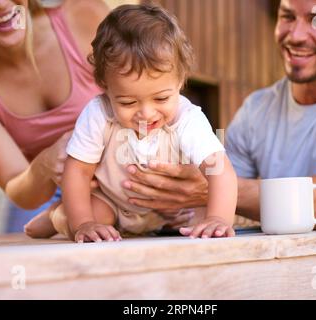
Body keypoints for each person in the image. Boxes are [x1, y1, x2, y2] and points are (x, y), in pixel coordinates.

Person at [120, 0, 316, 232]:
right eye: (287, 16)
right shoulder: (256, 108)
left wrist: (210, 189)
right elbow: (205, 202)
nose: (296, 35)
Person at [25, 4, 238, 242]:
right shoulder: (98, 113)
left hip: (167, 211)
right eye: (127, 102)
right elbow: (77, 171)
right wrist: (83, 223)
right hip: (111, 202)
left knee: (201, 221)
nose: (146, 113)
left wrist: (219, 218)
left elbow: (220, 170)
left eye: (161, 98)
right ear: (105, 86)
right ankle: (56, 217)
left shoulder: (188, 118)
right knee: (86, 219)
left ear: (180, 81)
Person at [0, 0, 108, 232]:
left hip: (124, 169)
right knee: (26, 245)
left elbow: (153, 92)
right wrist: (44, 164)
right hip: (48, 194)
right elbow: (18, 187)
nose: (0, 4)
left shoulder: (83, 14)